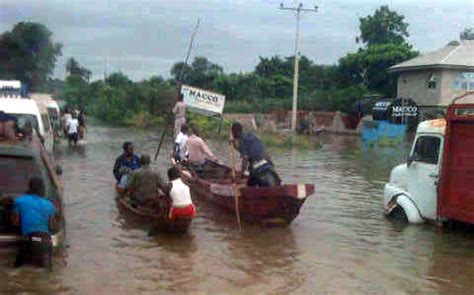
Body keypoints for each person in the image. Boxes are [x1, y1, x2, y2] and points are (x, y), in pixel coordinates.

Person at [11, 177, 56, 268]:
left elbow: (15, 222)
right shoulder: (50, 205)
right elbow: (51, 226)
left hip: (29, 240)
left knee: (19, 271)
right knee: (46, 273)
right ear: (43, 188)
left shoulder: (19, 201)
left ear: (29, 187)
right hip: (46, 241)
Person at [231, 122, 281, 187]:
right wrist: (234, 145)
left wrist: (241, 173)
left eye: (232, 132)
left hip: (257, 168)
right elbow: (248, 151)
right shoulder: (252, 135)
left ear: (235, 132)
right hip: (268, 164)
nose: (232, 134)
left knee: (249, 185)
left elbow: (245, 158)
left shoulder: (242, 141)